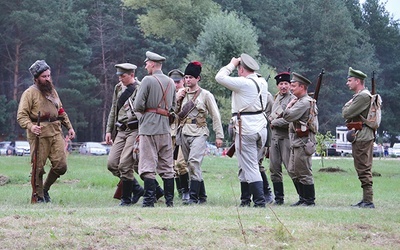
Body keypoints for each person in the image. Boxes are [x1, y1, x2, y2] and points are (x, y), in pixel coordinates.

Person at [17, 60, 75, 203]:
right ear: (36, 78)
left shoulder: (52, 91)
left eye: (49, 75)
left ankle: (45, 188)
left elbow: (60, 111)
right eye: (44, 76)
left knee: (61, 166)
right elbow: (21, 116)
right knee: (38, 167)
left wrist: (69, 127)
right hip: (39, 134)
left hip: (55, 131)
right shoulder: (29, 93)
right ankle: (39, 195)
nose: (48, 79)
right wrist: (31, 127)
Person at [215, 54, 268, 207]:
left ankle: (259, 202)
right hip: (261, 128)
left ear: (241, 69)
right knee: (247, 165)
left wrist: (231, 64)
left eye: (239, 68)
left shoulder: (244, 83)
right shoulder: (262, 81)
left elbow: (220, 77)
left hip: (246, 129)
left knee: (250, 166)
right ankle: (245, 200)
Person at [175, 61, 224, 205]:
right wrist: (177, 100)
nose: (188, 80)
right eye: (186, 77)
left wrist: (219, 135)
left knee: (193, 162)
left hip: (199, 132)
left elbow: (215, 115)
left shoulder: (206, 95)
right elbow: (175, 114)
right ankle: (202, 197)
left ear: (198, 78)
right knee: (189, 165)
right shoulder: (181, 94)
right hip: (184, 132)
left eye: (191, 77)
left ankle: (193, 197)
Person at [133, 51, 176, 207]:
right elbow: (174, 107)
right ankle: (170, 202)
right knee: (167, 167)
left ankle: (149, 200)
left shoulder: (147, 80)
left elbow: (138, 105)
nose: (145, 66)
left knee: (147, 165)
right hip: (165, 128)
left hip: (149, 128)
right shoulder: (171, 82)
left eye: (146, 63)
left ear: (152, 64)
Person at [104, 63, 144, 206]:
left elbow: (144, 112)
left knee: (125, 164)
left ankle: (126, 199)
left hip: (135, 130)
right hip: (121, 130)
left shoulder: (140, 88)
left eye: (123, 75)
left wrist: (142, 132)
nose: (120, 78)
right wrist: (109, 130)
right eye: (119, 75)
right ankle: (137, 189)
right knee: (112, 164)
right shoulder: (118, 88)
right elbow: (114, 109)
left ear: (132, 75)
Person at [282, 72, 318, 206]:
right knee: (293, 170)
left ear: (302, 87)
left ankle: (309, 200)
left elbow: (288, 116)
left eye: (294, 86)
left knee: (304, 172)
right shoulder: (300, 101)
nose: (291, 88)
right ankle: (302, 198)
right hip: (296, 141)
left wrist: (289, 105)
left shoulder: (304, 103)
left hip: (303, 142)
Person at [342, 67, 375, 209]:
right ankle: (366, 200)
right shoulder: (361, 95)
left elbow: (346, 113)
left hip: (362, 136)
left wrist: (347, 105)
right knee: (362, 167)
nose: (347, 83)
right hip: (361, 135)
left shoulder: (362, 96)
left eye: (350, 80)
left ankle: (368, 201)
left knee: (363, 168)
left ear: (357, 81)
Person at [268, 72, 295, 205]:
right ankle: (279, 198)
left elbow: (290, 120)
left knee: (291, 168)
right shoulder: (276, 98)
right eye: (281, 84)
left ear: (290, 85)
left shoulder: (293, 99)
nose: (283, 86)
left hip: (286, 137)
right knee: (274, 169)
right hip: (274, 138)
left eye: (286, 84)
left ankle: (303, 197)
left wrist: (273, 122)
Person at [168, 69, 189, 200]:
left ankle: (187, 191)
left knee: (181, 164)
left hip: (183, 132)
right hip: (169, 132)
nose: (176, 85)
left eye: (178, 82)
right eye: (173, 82)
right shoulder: (168, 95)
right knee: (172, 166)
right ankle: (181, 192)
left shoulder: (190, 95)